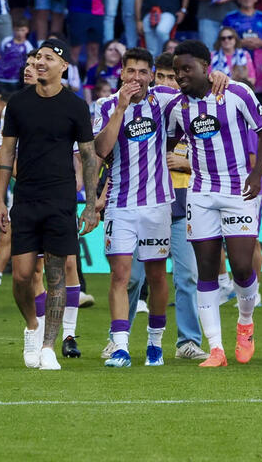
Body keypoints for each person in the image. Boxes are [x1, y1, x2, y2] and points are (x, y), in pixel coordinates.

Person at [163, 40, 262, 367]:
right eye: (176, 71)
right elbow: (168, 141)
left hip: (239, 189)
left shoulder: (236, 92)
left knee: (241, 267)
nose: (181, 76)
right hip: (200, 192)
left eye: (187, 69)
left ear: (205, 68)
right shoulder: (176, 107)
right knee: (206, 271)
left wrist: (256, 174)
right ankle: (216, 349)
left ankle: (245, 322)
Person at [0, 39, 101, 370]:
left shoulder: (75, 106)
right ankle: (31, 325)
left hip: (61, 199)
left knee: (56, 274)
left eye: (48, 58)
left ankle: (48, 347)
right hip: (25, 198)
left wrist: (91, 203)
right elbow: (7, 152)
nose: (40, 62)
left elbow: (88, 155)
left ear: (63, 66)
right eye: (38, 57)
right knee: (22, 276)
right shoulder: (18, 104)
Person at [93, 49, 182, 366]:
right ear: (121, 72)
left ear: (152, 74)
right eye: (131, 71)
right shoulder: (105, 106)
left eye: (143, 72)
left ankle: (155, 344)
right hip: (119, 204)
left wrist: (217, 77)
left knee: (157, 277)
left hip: (157, 204)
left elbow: (195, 92)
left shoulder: (164, 100)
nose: (136, 78)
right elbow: (101, 149)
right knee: (120, 275)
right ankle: (119, 346)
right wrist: (120, 108)